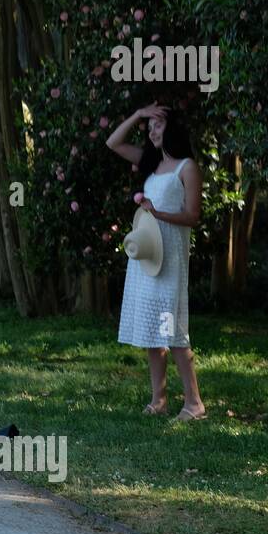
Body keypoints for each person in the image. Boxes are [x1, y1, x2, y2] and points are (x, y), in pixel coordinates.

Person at [105, 102, 207, 422]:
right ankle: (158, 400)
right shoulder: (151, 164)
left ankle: (194, 404)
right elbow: (113, 143)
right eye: (149, 127)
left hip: (171, 260)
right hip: (148, 258)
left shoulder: (186, 167)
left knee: (173, 331)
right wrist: (137, 114)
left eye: (158, 124)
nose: (152, 130)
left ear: (173, 127)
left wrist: (157, 213)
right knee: (152, 332)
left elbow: (193, 216)